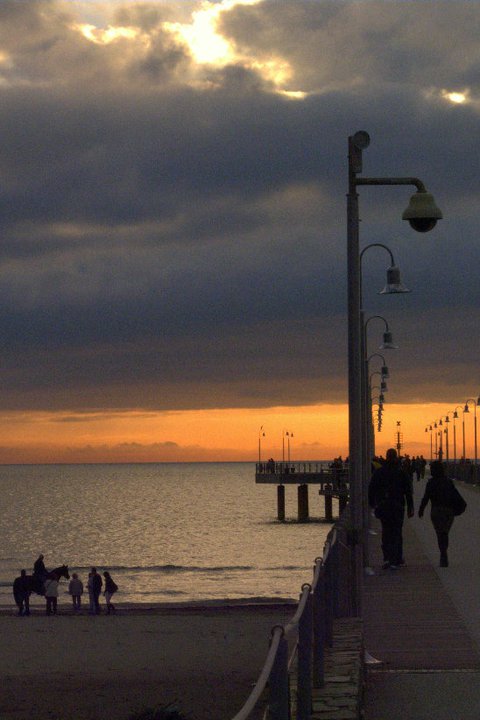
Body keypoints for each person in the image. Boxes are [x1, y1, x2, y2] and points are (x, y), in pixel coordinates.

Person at [368, 447, 414, 569]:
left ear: (386, 457)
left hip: (384, 506)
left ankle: (387, 558)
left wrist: (372, 504)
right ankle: (397, 558)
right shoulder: (401, 472)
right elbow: (408, 492)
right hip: (398, 506)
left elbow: (371, 488)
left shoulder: (379, 472)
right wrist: (410, 507)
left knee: (386, 531)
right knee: (397, 532)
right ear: (396, 458)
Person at [418, 461, 455, 567]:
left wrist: (421, 509)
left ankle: (443, 552)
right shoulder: (448, 482)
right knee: (445, 532)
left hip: (436, 511)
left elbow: (426, 497)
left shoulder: (431, 483)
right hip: (448, 511)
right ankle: (444, 551)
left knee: (440, 533)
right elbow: (454, 496)